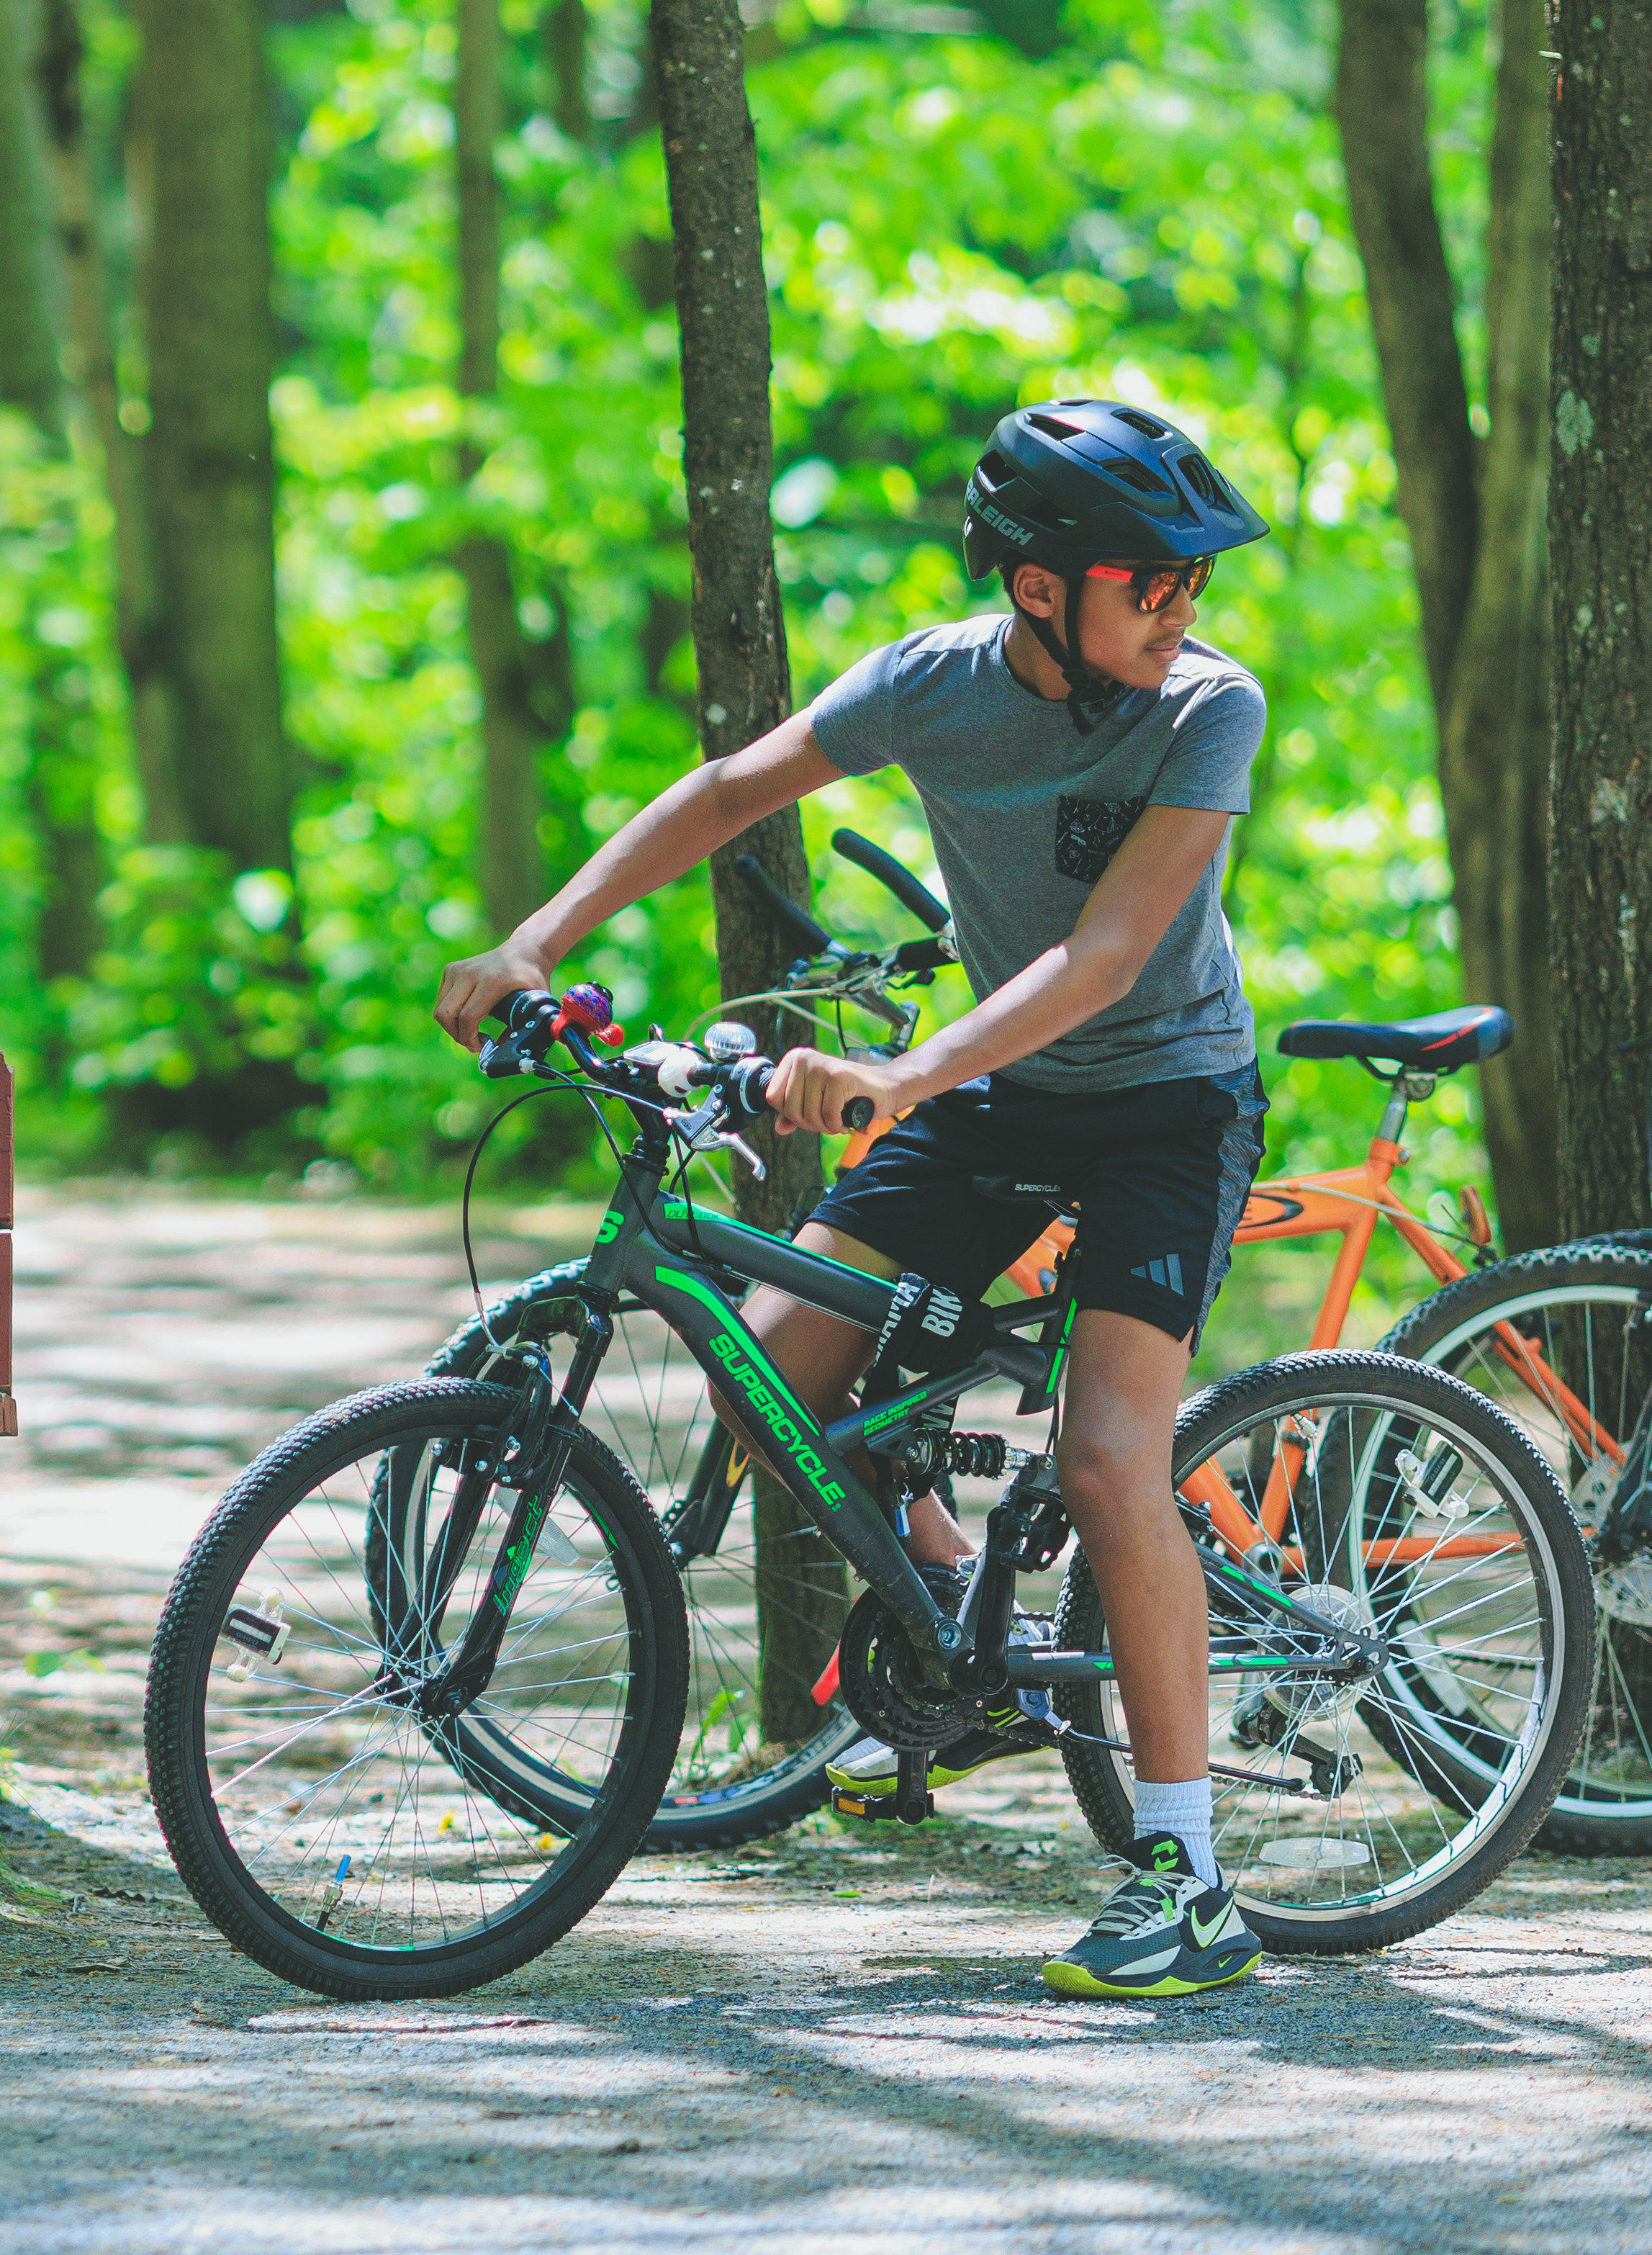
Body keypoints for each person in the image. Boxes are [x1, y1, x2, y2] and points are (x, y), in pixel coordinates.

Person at [436, 399, 1274, 2000]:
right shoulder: (934, 685)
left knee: (1108, 1459)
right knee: (771, 1378)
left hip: (1166, 1105)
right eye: (1154, 580)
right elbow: (729, 793)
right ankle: (952, 1614)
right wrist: (536, 936)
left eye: (1192, 581)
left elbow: (1104, 963)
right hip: (991, 1097)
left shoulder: (1205, 710)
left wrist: (907, 1074)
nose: (1186, 608)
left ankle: (1190, 1874)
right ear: (1044, 589)